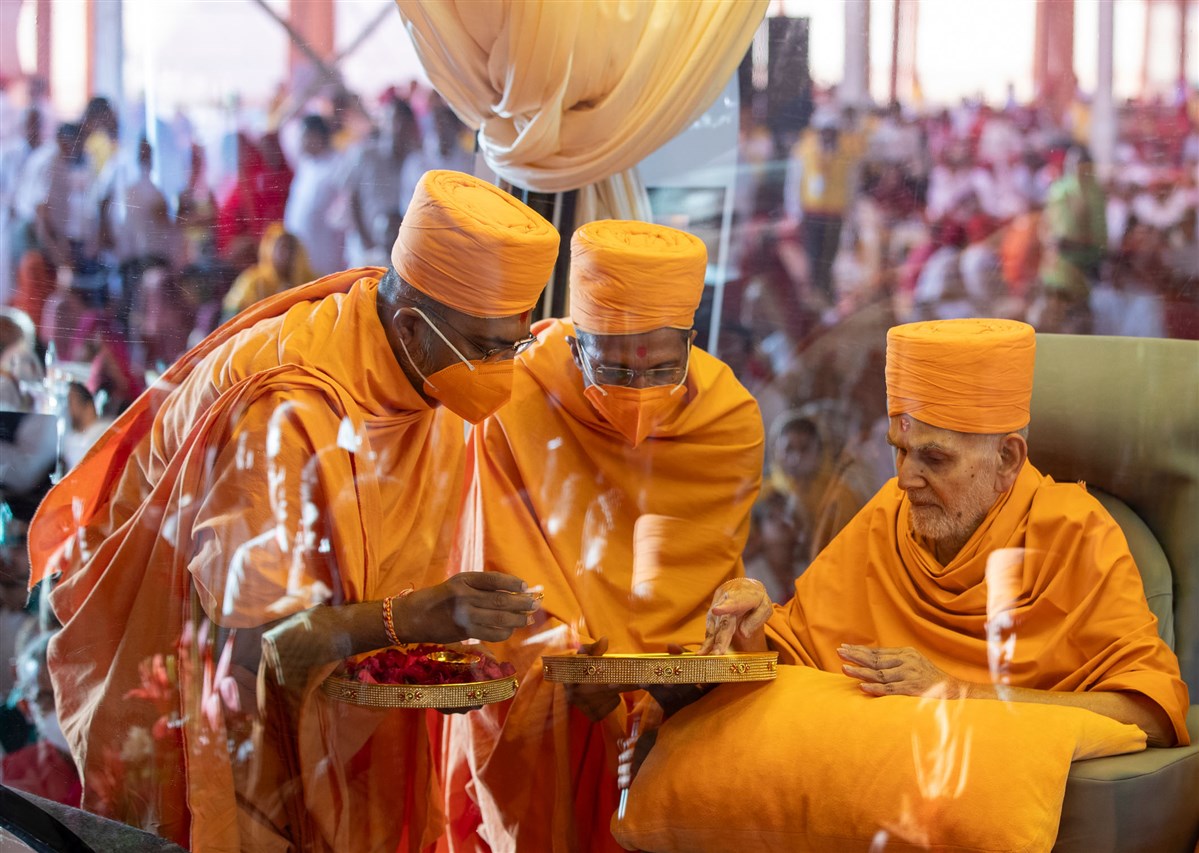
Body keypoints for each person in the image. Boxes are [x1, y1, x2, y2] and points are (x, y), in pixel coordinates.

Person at [25, 170, 560, 852]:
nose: (504, 372)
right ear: (410, 325)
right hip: (194, 696)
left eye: (515, 346)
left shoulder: (419, 366)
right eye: (489, 349)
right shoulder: (284, 410)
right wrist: (418, 616)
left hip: (320, 701)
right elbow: (256, 647)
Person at [699, 318, 1190, 750]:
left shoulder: (1074, 531)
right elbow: (796, 654)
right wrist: (751, 626)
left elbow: (1151, 715)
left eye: (934, 459)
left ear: (1007, 459)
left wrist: (957, 692)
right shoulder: (889, 514)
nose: (905, 480)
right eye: (899, 450)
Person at [444, 220, 764, 853]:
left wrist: (677, 679)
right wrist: (565, 658)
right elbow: (497, 558)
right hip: (547, 689)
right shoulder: (518, 397)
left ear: (692, 342)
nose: (636, 394)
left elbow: (700, 583)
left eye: (661, 369)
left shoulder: (728, 419)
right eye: (612, 368)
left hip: (673, 704)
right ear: (573, 342)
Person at [0, 631, 82, 808]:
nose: (64, 706)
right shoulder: (12, 778)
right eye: (47, 697)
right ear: (26, 708)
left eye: (74, 691)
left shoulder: (132, 754)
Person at [284, 115, 347, 277]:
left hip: (324, 247)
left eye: (305, 136)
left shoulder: (337, 164)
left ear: (317, 136)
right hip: (300, 245)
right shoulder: (306, 163)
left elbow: (346, 207)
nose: (301, 142)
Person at [220, 224, 314, 322]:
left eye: (291, 249)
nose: (287, 254)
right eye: (282, 248)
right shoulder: (252, 280)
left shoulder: (308, 280)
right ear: (270, 249)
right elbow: (231, 316)